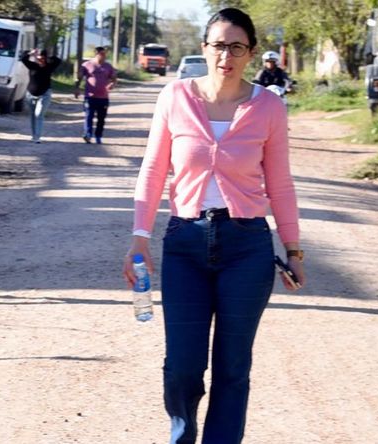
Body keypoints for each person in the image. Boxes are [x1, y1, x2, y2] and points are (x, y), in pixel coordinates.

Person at [123, 8, 306, 444]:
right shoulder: (175, 97)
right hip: (185, 242)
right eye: (219, 45)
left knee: (232, 366)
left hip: (247, 247)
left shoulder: (269, 107)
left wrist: (294, 249)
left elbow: (279, 183)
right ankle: (181, 435)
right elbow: (153, 169)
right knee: (183, 365)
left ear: (251, 53)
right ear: (204, 49)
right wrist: (139, 237)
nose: (226, 55)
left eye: (236, 47)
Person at [74, 46, 117, 144]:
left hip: (103, 97)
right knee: (89, 116)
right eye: (102, 54)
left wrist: (112, 84)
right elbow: (79, 77)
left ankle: (98, 136)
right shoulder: (87, 65)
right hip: (90, 96)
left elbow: (114, 78)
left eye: (105, 54)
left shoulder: (108, 66)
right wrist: (76, 88)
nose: (104, 56)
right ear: (96, 54)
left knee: (101, 118)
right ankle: (88, 134)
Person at [20, 48, 61, 143]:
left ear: (46, 59)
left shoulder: (50, 67)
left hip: (44, 94)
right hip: (30, 94)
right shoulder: (32, 66)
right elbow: (23, 58)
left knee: (38, 114)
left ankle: (37, 137)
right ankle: (34, 136)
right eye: (39, 58)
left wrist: (49, 55)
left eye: (43, 58)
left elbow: (58, 60)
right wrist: (31, 53)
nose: (40, 60)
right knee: (33, 116)